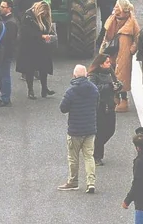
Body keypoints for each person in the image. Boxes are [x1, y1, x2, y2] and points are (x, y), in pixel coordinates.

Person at [58, 64, 99, 193]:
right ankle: (91, 183)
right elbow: (97, 104)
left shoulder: (71, 91)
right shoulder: (93, 89)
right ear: (86, 75)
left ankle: (73, 181)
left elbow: (63, 108)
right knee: (89, 156)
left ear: (74, 75)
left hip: (75, 130)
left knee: (73, 157)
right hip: (90, 128)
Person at [100, 0, 140, 113]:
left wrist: (132, 50)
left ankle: (124, 99)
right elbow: (106, 35)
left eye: (117, 7)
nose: (115, 9)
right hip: (112, 50)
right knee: (111, 72)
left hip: (124, 51)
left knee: (122, 75)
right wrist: (103, 47)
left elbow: (138, 37)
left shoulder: (132, 22)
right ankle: (115, 96)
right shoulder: (113, 19)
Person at [17, 1, 56, 99]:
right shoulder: (27, 17)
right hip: (29, 47)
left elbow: (48, 28)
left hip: (42, 47)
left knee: (44, 68)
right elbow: (25, 33)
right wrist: (41, 36)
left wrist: (50, 35)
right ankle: (30, 90)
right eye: (42, 13)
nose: (44, 15)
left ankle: (44, 89)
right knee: (30, 69)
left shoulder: (44, 17)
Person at [87, 53, 121, 165]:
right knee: (100, 132)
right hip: (99, 106)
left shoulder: (110, 72)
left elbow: (115, 83)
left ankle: (94, 148)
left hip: (110, 104)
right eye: (107, 62)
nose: (109, 64)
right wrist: (109, 87)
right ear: (100, 64)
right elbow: (93, 89)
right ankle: (96, 156)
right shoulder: (93, 75)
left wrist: (118, 86)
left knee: (110, 130)